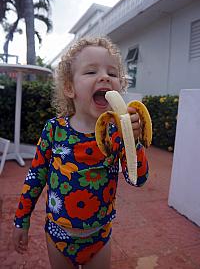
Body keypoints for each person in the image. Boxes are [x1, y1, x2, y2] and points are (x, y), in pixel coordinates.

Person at [13, 37, 149, 269]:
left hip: (100, 237)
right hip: (58, 235)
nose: (105, 76)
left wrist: (132, 141)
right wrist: (21, 221)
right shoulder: (54, 130)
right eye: (91, 71)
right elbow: (35, 177)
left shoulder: (116, 134)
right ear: (69, 87)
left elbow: (137, 179)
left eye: (112, 73)